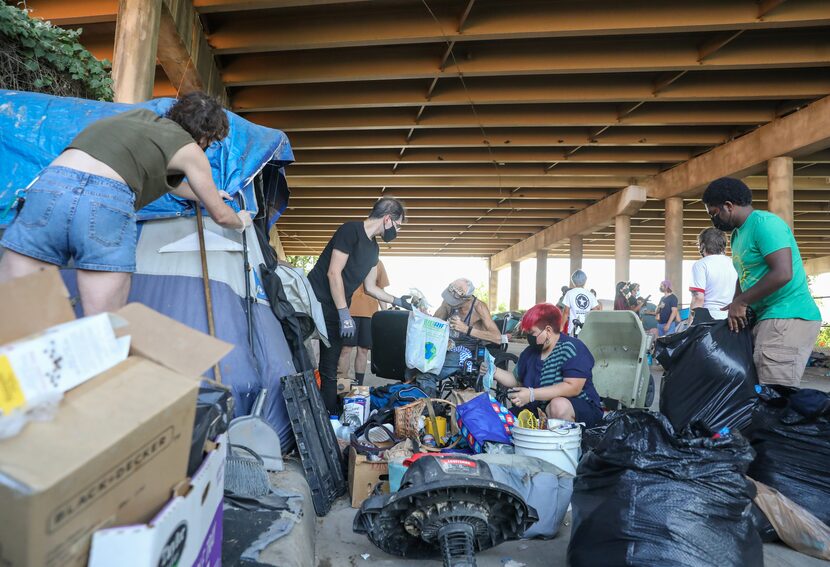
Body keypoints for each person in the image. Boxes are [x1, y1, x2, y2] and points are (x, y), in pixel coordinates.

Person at [0, 92, 251, 315]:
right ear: (206, 135)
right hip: (105, 200)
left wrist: (207, 193)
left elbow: (159, 178)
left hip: (51, 186)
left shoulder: (136, 118)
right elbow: (220, 215)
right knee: (104, 321)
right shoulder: (190, 149)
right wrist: (240, 220)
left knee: (16, 308)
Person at [702, 177, 821, 386]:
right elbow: (744, 274)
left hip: (786, 316)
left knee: (773, 397)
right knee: (757, 392)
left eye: (714, 213)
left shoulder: (765, 224)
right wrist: (735, 302)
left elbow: (783, 273)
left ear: (728, 206)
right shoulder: (738, 235)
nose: (714, 220)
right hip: (767, 318)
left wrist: (742, 302)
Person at [307, 197, 413, 413]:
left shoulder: (374, 250)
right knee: (298, 351)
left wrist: (399, 301)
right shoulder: (350, 231)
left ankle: (328, 416)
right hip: (315, 299)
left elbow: (370, 287)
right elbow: (333, 272)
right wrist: (344, 314)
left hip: (338, 305)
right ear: (387, 219)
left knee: (329, 366)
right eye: (398, 225)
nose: (398, 231)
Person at [489, 303, 603, 427]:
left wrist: (532, 394)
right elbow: (516, 380)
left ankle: (566, 444)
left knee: (557, 406)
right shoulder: (530, 353)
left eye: (532, 333)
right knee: (498, 419)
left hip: (578, 409)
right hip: (539, 410)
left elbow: (573, 387)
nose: (529, 337)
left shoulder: (572, 348)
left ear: (548, 330)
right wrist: (493, 370)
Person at [429, 278, 502, 378]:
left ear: (467, 299)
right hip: (448, 348)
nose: (451, 303)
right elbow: (433, 326)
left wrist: (466, 329)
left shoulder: (479, 307)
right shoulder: (447, 303)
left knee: (431, 371)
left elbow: (497, 338)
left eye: (454, 301)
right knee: (418, 366)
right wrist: (426, 319)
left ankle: (426, 387)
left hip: (469, 352)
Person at [337, 260, 390, 385]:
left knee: (363, 350)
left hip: (369, 314)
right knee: (346, 349)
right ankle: (342, 386)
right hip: (348, 312)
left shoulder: (377, 263)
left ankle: (358, 386)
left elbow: (380, 288)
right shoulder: (346, 259)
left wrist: (386, 312)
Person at [689, 227, 738, 323]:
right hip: (732, 319)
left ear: (702, 246)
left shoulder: (701, 264)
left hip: (709, 319)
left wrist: (690, 324)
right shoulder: (734, 263)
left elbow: (698, 297)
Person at [561, 270, 599, 336]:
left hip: (573, 329)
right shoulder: (590, 294)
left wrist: (561, 327)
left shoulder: (569, 293)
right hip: (587, 329)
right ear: (585, 281)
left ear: (573, 281)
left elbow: (566, 312)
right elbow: (596, 311)